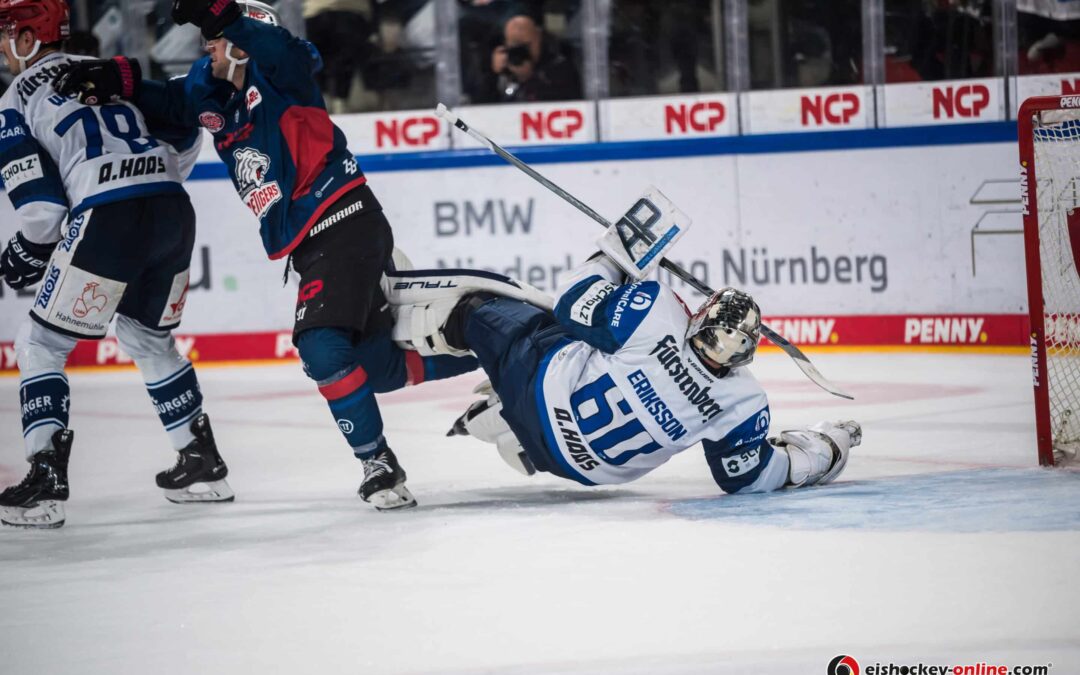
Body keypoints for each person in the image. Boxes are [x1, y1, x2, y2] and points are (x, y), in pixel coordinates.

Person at [52, 0, 479, 510]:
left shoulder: (283, 74)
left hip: (343, 221)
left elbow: (284, 50)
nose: (205, 46)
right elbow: (168, 101)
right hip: (313, 244)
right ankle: (490, 354)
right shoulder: (208, 88)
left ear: (241, 37)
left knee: (322, 348)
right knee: (378, 367)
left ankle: (378, 463)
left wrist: (225, 15)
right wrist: (118, 81)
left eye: (214, 38)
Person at [0, 0, 231, 529]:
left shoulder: (14, 99)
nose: (1, 45)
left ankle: (45, 478)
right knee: (148, 339)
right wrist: (154, 177)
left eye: (6, 33)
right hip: (172, 205)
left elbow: (42, 213)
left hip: (108, 212)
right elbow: (185, 129)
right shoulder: (104, 72)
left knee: (40, 344)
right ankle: (202, 464)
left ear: (27, 40)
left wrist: (23, 251)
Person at [399, 253, 860, 493]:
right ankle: (498, 419)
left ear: (702, 318)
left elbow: (574, 299)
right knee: (583, 359)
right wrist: (825, 446)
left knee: (479, 311)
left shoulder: (660, 313)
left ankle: (392, 352)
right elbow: (748, 479)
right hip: (583, 472)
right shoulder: (743, 402)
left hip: (535, 386)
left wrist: (620, 257)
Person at [479, 14, 581, 103]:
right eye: (515, 46)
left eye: (525, 46)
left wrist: (528, 78)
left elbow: (558, 104)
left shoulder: (560, 66)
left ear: (538, 38)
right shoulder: (503, 68)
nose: (521, 52)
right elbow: (480, 110)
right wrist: (493, 75)